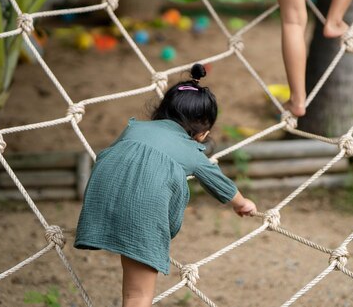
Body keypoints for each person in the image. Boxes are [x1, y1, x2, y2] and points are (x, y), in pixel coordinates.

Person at [74, 64, 257, 307]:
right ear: (203, 133)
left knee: (130, 257)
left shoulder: (134, 127)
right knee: (137, 295)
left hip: (99, 195)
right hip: (142, 210)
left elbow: (115, 158)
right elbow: (220, 184)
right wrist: (243, 204)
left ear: (161, 112)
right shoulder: (190, 149)